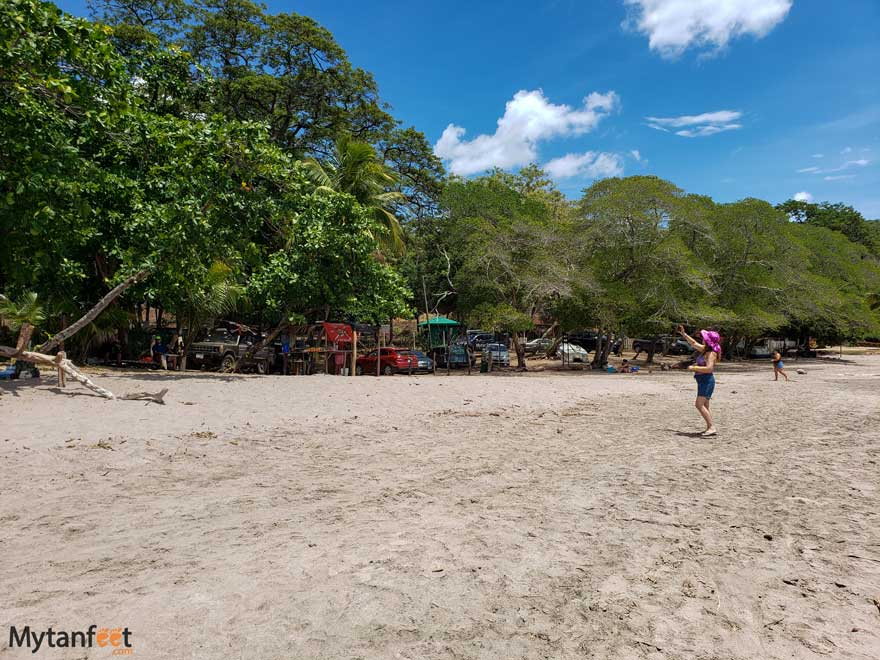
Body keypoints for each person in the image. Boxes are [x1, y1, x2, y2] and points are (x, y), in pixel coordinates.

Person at [677, 325, 721, 436]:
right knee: (705, 406)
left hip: (706, 380)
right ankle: (709, 426)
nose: (702, 339)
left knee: (699, 404)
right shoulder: (705, 350)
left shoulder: (711, 354)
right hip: (702, 380)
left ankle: (711, 427)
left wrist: (694, 368)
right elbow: (693, 343)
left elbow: (709, 368)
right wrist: (684, 334)